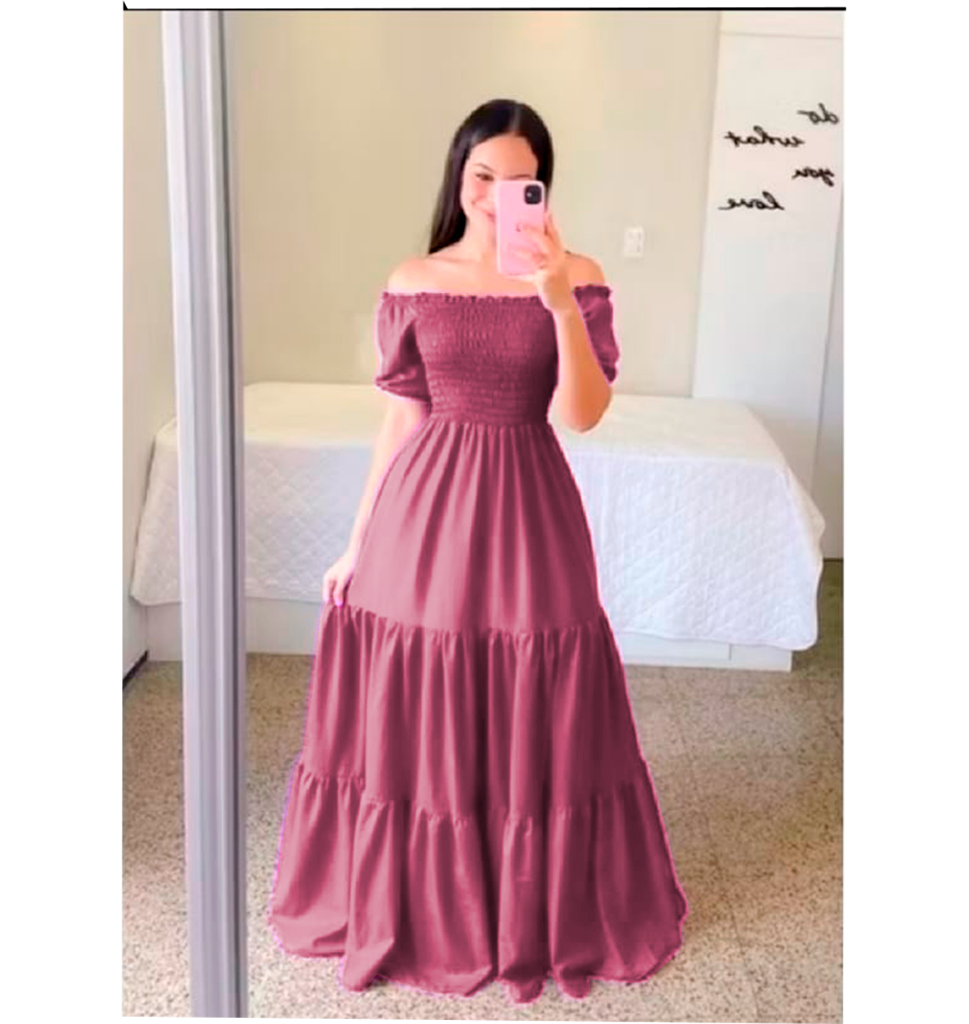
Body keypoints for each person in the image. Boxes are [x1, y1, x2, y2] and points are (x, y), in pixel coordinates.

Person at [268, 98, 689, 1006]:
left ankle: (527, 909)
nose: (497, 195)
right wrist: (354, 543)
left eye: (517, 181)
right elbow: (402, 419)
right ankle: (432, 909)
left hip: (531, 510)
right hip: (421, 516)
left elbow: (581, 414)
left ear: (543, 189)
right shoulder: (414, 277)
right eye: (481, 176)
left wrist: (558, 302)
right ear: (458, 180)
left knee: (539, 691)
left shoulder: (577, 275)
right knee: (426, 699)